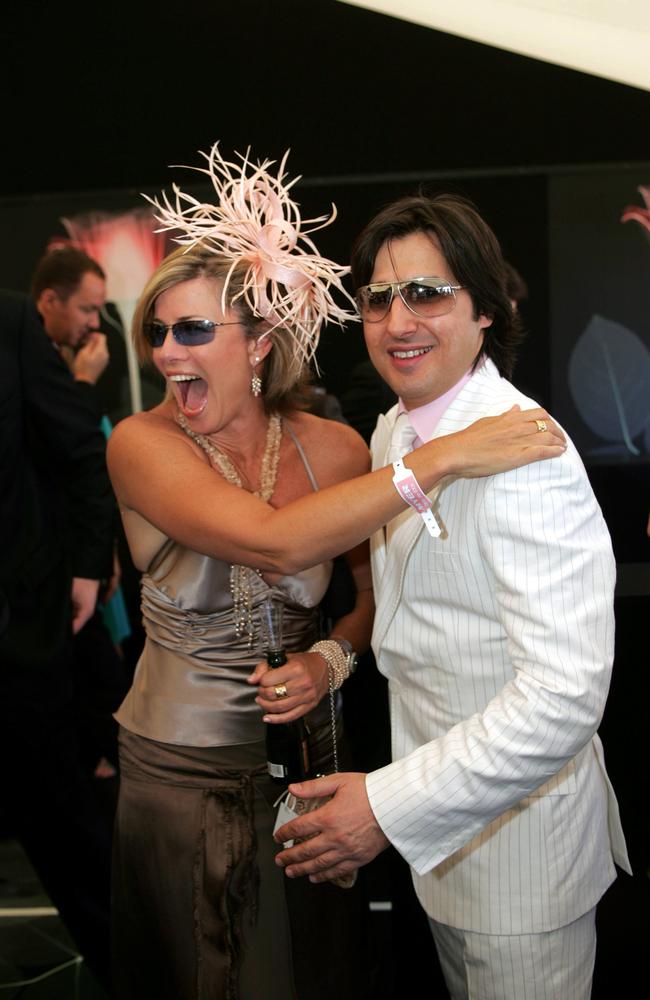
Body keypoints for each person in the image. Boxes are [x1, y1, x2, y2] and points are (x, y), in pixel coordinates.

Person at [106, 147, 564, 1000]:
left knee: (312, 972)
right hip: (179, 775)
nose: (168, 351)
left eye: (194, 329)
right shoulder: (142, 445)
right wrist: (452, 454)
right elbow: (276, 543)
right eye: (157, 331)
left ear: (260, 344)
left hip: (313, 770)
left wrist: (331, 661)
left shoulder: (337, 446)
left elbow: (370, 599)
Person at [275, 193, 631, 1000]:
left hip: (521, 862)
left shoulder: (524, 450)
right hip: (442, 849)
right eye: (378, 297)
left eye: (428, 293)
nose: (398, 319)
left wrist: (386, 804)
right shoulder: (395, 431)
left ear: (486, 311)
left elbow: (564, 694)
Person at [0, 290, 116, 989]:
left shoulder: (10, 324)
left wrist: (83, 563)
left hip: (21, 644)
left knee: (72, 842)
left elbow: (79, 446)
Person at [31, 246, 130, 778]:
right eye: (88, 310)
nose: (96, 323)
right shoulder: (35, 361)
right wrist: (85, 386)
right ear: (50, 300)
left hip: (86, 557)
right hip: (59, 566)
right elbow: (62, 457)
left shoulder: (62, 360)